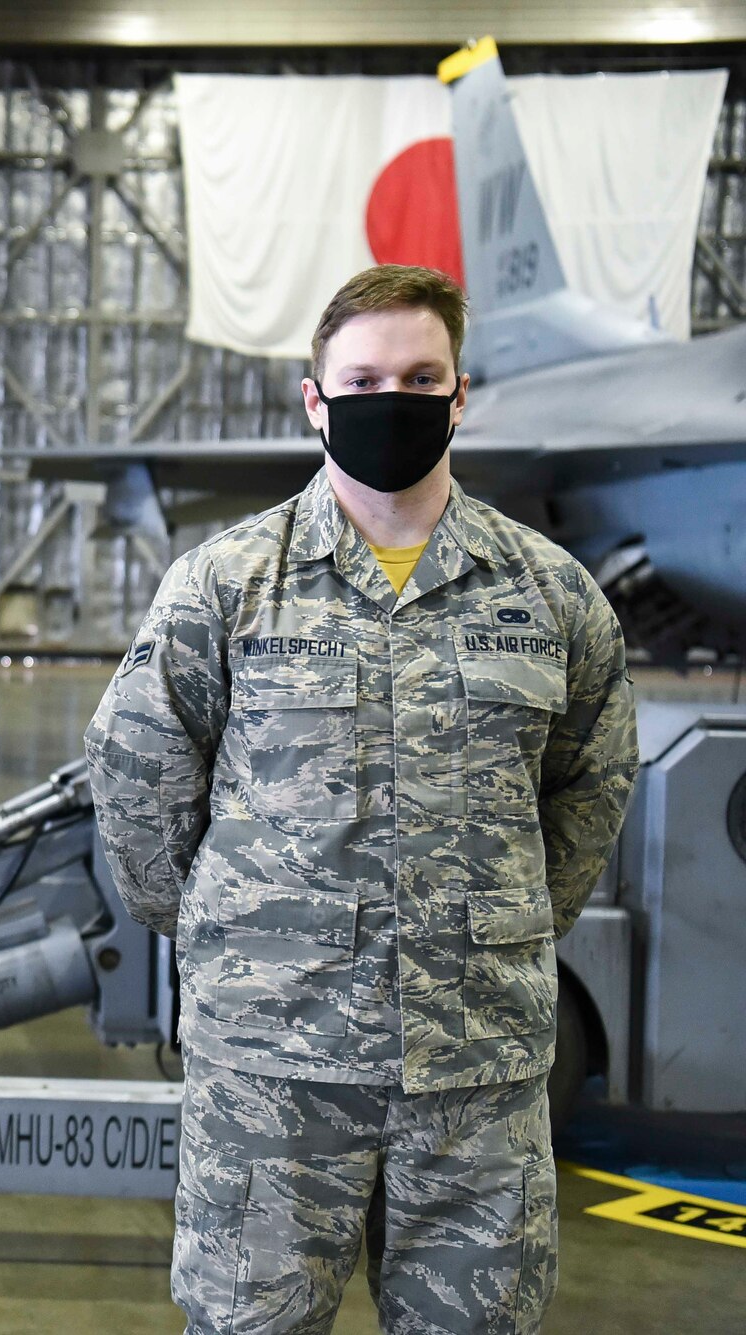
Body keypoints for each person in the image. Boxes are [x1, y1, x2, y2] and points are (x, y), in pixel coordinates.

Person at [84, 264, 638, 1335]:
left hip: (474, 1073)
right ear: (314, 399)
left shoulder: (546, 591)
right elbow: (139, 773)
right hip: (272, 1070)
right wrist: (225, 929)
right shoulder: (229, 584)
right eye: (364, 377)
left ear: (458, 393)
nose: (393, 399)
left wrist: (498, 927)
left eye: (418, 377)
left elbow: (589, 783)